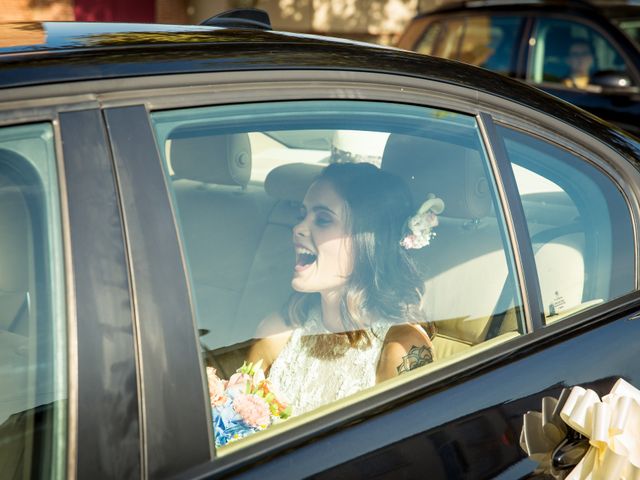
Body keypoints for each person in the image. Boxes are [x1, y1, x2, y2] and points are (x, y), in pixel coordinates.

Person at [247, 162, 441, 416]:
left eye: (323, 219)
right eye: (301, 215)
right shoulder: (277, 330)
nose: (298, 229)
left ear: (368, 241)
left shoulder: (400, 348)